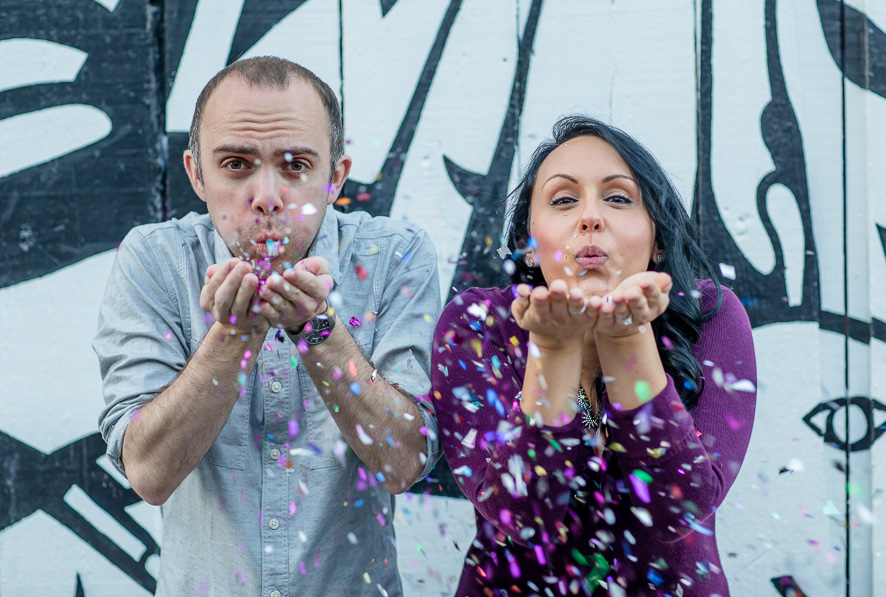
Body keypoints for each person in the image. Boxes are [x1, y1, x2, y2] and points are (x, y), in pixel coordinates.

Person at [94, 56, 441, 596]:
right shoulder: (155, 260)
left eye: (297, 164)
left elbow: (403, 462)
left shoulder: (396, 257)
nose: (267, 197)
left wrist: (319, 332)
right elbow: (148, 473)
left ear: (335, 178)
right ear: (196, 175)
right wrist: (231, 340)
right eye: (236, 164)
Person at [431, 116, 756, 596]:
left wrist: (626, 338)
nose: (590, 216)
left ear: (658, 238)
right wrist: (555, 352)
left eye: (618, 198)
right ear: (529, 244)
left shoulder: (711, 316)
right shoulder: (478, 324)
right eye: (563, 200)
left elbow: (680, 506)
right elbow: (520, 515)